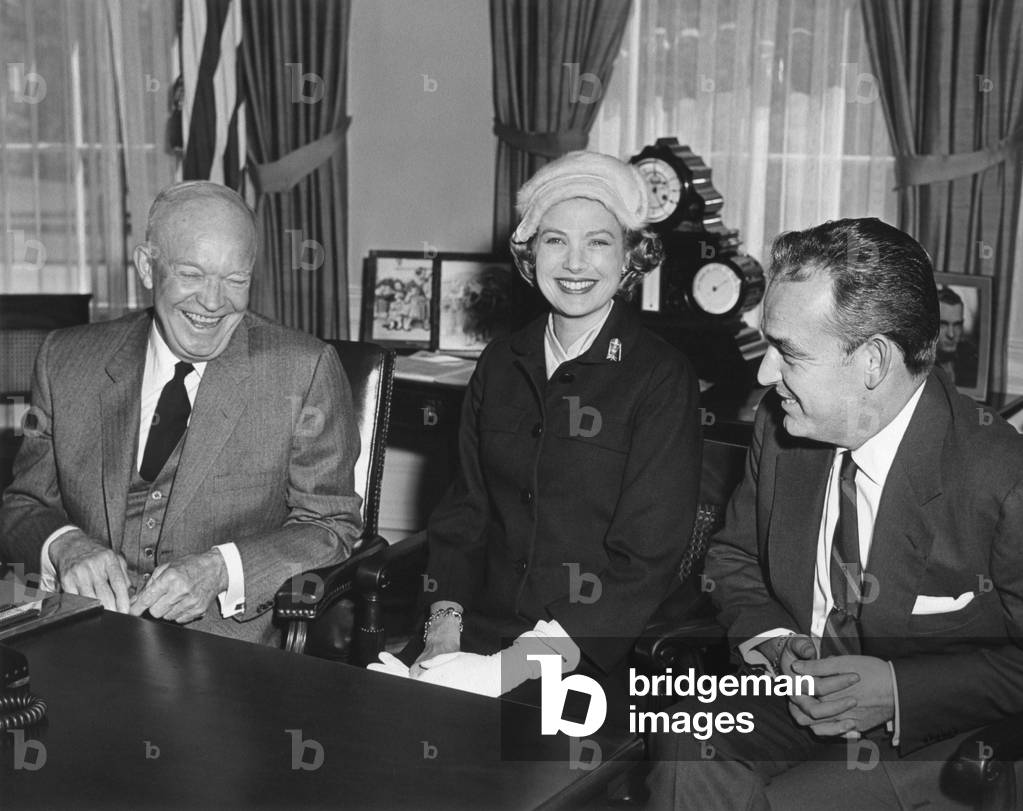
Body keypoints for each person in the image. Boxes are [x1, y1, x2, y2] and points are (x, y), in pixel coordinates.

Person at [647, 218, 1023, 809]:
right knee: (683, 746)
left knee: (793, 802)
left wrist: (896, 691)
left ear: (872, 361)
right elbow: (735, 557)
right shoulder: (781, 426)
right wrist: (776, 642)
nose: (765, 374)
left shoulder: (1001, 476)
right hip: (793, 696)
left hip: (936, 728)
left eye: (788, 352)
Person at [370, 151, 701, 696]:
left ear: (630, 256)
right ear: (530, 254)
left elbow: (645, 560)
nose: (575, 263)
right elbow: (465, 515)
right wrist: (442, 632)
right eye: (555, 240)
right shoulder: (501, 362)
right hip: (477, 629)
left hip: (588, 652)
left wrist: (510, 668)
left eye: (598, 242)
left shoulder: (660, 377)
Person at [0, 181, 362, 645]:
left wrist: (221, 568)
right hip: (79, 635)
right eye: (191, 274)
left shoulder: (303, 370)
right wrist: (64, 546)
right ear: (147, 268)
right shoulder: (65, 360)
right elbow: (23, 504)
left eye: (236, 280)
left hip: (222, 648)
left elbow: (329, 525)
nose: (213, 302)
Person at [935, 286, 979, 388]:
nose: (951, 334)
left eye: (957, 325)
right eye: (943, 324)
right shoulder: (919, 364)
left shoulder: (970, 357)